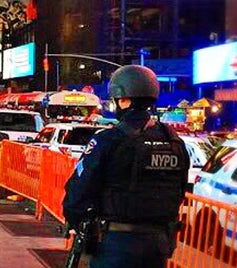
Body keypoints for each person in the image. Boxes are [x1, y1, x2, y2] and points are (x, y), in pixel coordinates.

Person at [63, 65, 189, 267]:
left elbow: (78, 191)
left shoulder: (109, 140)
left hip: (116, 244)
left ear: (123, 100)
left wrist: (78, 222)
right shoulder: (174, 142)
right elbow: (179, 189)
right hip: (158, 245)